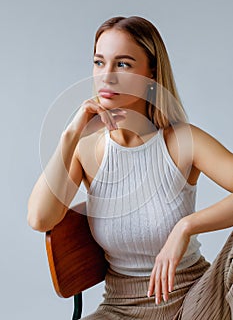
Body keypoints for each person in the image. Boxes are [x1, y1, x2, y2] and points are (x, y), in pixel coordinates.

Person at [27, 16, 233, 319]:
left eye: (123, 64)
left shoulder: (182, 142)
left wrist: (185, 227)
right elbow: (39, 218)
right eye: (99, 63)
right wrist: (70, 136)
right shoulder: (87, 148)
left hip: (196, 301)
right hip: (120, 310)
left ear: (151, 72)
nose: (106, 76)